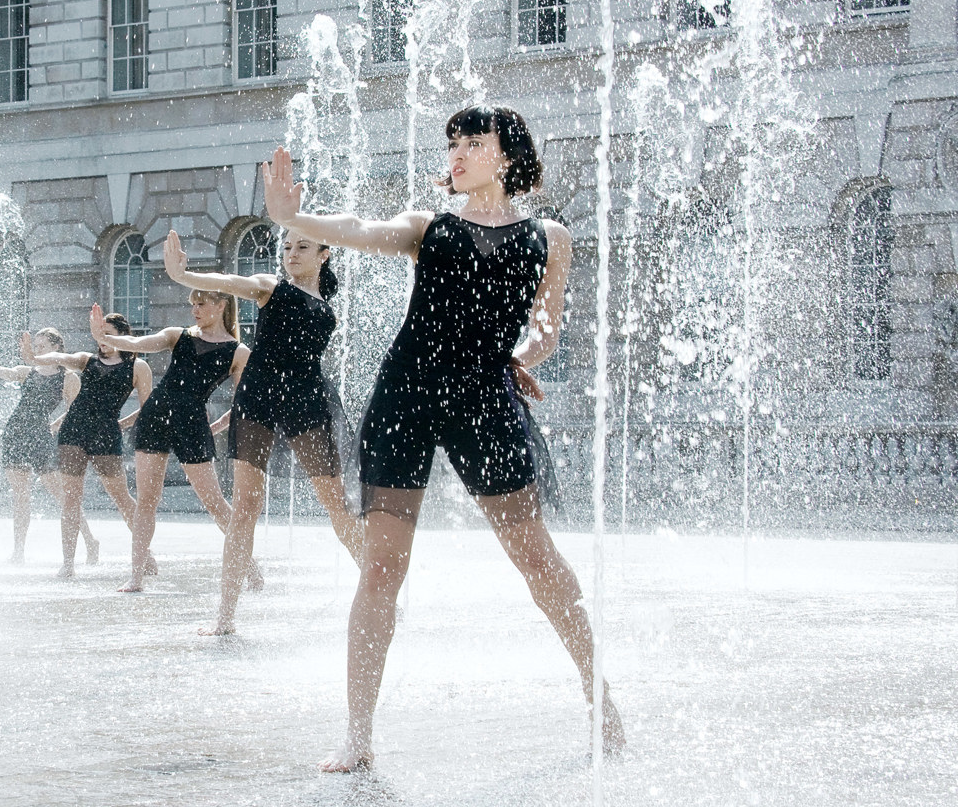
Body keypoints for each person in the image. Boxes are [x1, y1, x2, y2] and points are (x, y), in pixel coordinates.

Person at [264, 107, 625, 771]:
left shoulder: (550, 236)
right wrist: (296, 218)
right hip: (408, 392)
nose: (457, 153)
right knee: (381, 567)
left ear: (506, 154)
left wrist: (526, 356)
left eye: (473, 142)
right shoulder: (428, 226)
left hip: (485, 398)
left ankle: (596, 691)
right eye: (452, 143)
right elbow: (363, 230)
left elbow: (546, 325)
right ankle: (358, 735)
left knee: (538, 561)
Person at [154, 229, 364, 634]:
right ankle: (225, 616)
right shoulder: (272, 287)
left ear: (324, 254)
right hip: (260, 394)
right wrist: (187, 277)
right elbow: (233, 283)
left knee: (335, 502)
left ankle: (379, 591)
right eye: (287, 247)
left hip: (307, 397)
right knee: (246, 505)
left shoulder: (327, 305)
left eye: (302, 246)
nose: (291, 254)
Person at [91, 284, 249, 593]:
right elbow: (141, 342)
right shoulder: (179, 335)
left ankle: (248, 564)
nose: (195, 310)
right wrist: (106, 338)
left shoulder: (238, 352)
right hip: (155, 416)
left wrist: (217, 425)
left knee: (215, 502)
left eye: (201, 304)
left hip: (193, 423)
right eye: (193, 304)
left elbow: (243, 404)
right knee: (147, 500)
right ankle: (136, 576)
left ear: (221, 306)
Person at [0, 328, 101, 565]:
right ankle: (18, 551)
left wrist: (56, 427)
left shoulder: (68, 378)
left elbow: (75, 411)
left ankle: (90, 541)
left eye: (42, 346)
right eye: (35, 346)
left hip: (41, 438)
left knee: (63, 496)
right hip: (15, 434)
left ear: (56, 347)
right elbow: (1, 371)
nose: (37, 350)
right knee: (20, 496)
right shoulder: (28, 372)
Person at [25, 316, 148, 578]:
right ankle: (68, 563)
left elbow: (147, 408)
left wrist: (123, 424)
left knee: (122, 499)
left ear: (123, 336)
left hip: (106, 435)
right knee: (71, 499)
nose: (101, 340)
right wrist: (33, 357)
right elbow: (56, 359)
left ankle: (145, 554)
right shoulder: (86, 360)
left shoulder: (138, 367)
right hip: (74, 432)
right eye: (99, 334)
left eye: (108, 334)